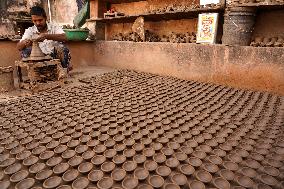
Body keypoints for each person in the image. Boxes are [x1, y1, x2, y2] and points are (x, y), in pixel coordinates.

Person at [17, 6, 72, 71]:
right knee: (25, 51)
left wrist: (46, 36)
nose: (38, 23)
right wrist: (24, 43)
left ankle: (63, 72)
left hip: (53, 56)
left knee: (63, 48)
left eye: (40, 20)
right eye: (35, 21)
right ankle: (37, 73)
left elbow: (64, 37)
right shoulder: (30, 30)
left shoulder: (54, 27)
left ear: (45, 18)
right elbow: (19, 47)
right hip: (38, 59)